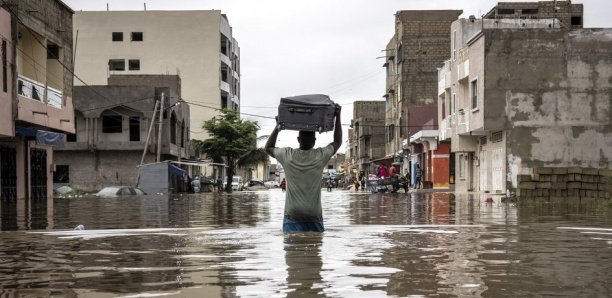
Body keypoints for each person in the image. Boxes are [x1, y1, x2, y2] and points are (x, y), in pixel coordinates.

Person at [265, 104, 342, 233]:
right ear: (314, 141)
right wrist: (338, 116)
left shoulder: (287, 155)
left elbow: (268, 148)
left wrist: (278, 127)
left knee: (292, 251)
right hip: (314, 215)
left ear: (298, 139)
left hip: (293, 214)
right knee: (315, 250)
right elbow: (337, 142)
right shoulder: (320, 156)